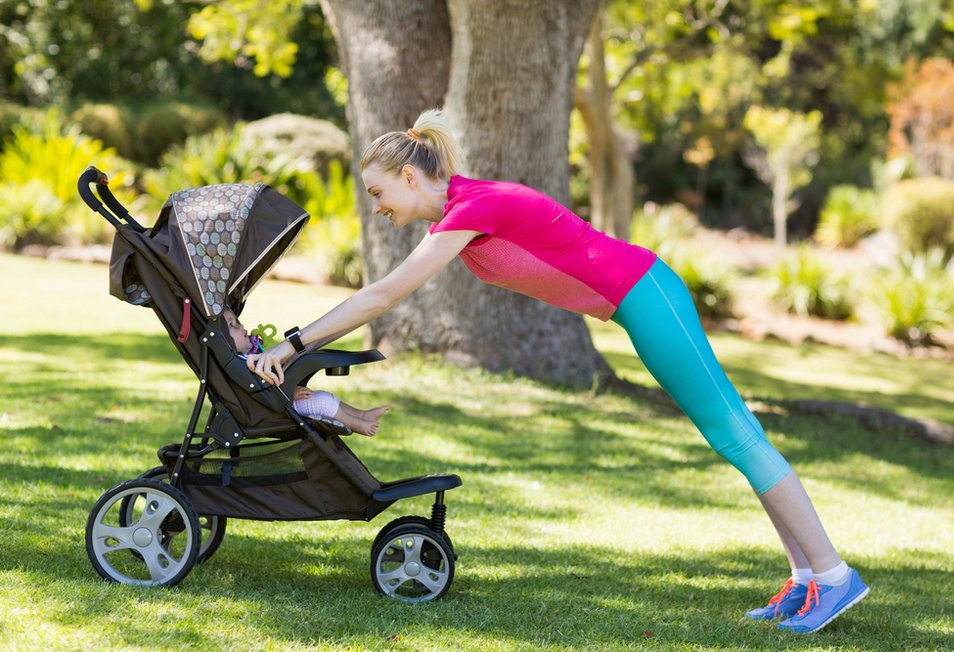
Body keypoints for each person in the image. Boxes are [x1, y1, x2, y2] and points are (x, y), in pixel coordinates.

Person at [248, 109, 869, 633]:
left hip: (648, 295)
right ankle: (806, 579)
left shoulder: (473, 206)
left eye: (380, 193)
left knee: (736, 434)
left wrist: (294, 344)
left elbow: (382, 296)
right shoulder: (457, 211)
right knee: (732, 438)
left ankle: (833, 575)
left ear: (410, 175)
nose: (378, 207)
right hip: (638, 304)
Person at [223, 311, 388, 436]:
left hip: (278, 401)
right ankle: (357, 424)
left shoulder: (245, 358)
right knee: (323, 402)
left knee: (324, 396)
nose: (240, 325)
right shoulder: (244, 364)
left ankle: (362, 414)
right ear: (223, 341)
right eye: (231, 325)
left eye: (236, 321)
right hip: (276, 405)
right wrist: (290, 392)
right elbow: (260, 386)